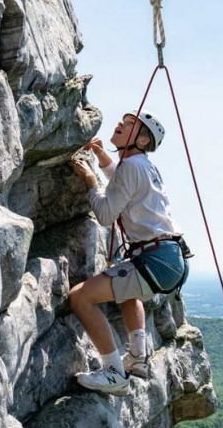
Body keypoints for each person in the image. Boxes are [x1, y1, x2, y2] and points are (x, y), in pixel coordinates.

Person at [69, 109, 189, 396]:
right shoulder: (140, 165)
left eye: (129, 125)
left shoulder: (132, 167)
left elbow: (106, 213)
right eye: (121, 122)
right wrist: (103, 159)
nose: (120, 125)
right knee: (124, 288)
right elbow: (124, 184)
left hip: (155, 258)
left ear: (143, 141)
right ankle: (137, 356)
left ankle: (114, 373)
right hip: (167, 257)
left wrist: (90, 180)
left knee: (80, 297)